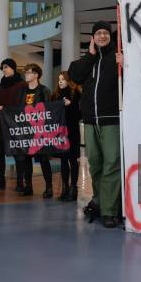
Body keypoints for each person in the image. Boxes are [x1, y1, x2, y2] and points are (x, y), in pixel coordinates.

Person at [68, 21, 123, 228]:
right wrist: (90, 56)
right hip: (90, 121)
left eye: (105, 33)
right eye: (98, 33)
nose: (102, 36)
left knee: (112, 163)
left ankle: (109, 211)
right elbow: (73, 76)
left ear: (110, 36)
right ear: (92, 37)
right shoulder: (84, 62)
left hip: (111, 121)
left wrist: (125, 64)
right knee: (96, 165)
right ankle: (100, 201)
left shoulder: (116, 59)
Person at [16, 63, 54, 197]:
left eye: (29, 72)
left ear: (36, 74)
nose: (26, 74)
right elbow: (18, 110)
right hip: (26, 131)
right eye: (25, 72)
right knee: (26, 159)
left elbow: (48, 111)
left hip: (40, 131)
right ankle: (28, 187)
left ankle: (49, 188)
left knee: (44, 159)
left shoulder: (44, 90)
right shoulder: (23, 91)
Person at [0, 58, 26, 191]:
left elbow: (22, 105)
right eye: (2, 67)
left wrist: (5, 108)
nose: (3, 70)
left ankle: (20, 182)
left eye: (6, 67)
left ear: (13, 67)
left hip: (14, 125)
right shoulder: (0, 85)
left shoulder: (21, 85)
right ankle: (1, 180)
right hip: (0, 125)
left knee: (17, 153)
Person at [51, 71, 82, 201]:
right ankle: (65, 189)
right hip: (60, 132)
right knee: (63, 160)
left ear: (68, 80)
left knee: (72, 160)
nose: (60, 81)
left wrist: (70, 105)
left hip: (72, 131)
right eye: (59, 79)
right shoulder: (55, 96)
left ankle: (73, 188)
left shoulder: (76, 94)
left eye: (63, 79)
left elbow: (80, 114)